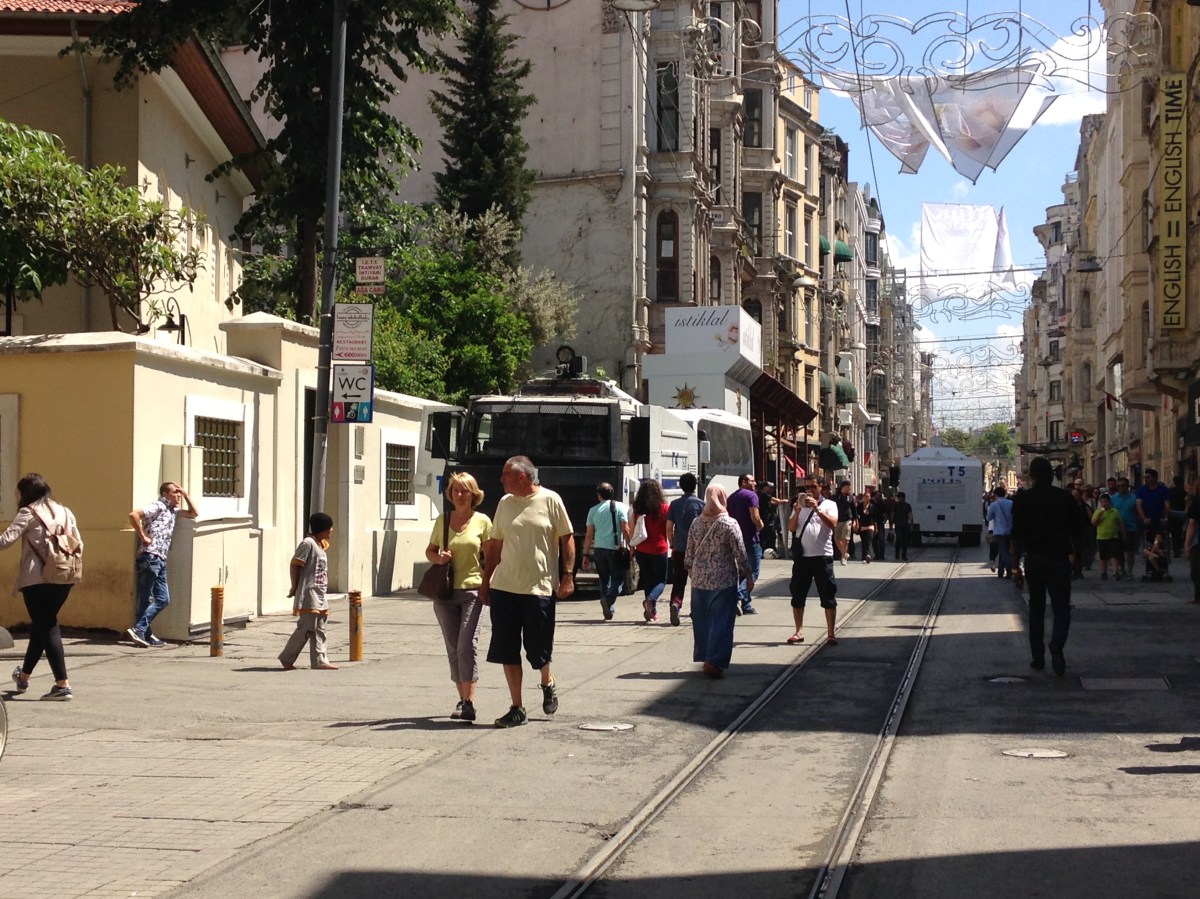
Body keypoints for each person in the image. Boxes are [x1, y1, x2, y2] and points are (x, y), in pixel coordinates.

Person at [481, 456, 574, 728]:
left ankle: (547, 681)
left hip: (539, 588)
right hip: (504, 588)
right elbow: (495, 545)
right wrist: (486, 582)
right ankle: (517, 707)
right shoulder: (504, 503)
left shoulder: (551, 500)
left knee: (538, 649)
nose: (501, 479)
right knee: (507, 649)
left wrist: (567, 576)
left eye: (505, 474)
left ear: (522, 477)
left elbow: (567, 538)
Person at [1, 473, 82, 701]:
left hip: (36, 579)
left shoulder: (28, 512)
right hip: (64, 576)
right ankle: (23, 677)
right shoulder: (66, 511)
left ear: (25, 493)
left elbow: (6, 541)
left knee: (47, 626)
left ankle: (62, 684)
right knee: (41, 626)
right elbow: (78, 543)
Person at [425, 471, 491, 722]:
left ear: (474, 494)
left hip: (473, 591)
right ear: (450, 494)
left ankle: (470, 701)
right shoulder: (443, 520)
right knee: (453, 648)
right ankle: (463, 700)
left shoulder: (482, 521)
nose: (460, 494)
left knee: (466, 645)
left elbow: (491, 558)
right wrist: (439, 558)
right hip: (445, 593)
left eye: (465, 490)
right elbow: (430, 551)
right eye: (455, 490)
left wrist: (489, 584)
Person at [1011, 457, 1078, 676]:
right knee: (1061, 607)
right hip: (1059, 560)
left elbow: (1016, 537)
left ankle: (1038, 658)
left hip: (1035, 560)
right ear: (1051, 475)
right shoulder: (1065, 498)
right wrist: (1076, 558)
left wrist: (1015, 567)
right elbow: (1078, 530)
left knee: (1036, 608)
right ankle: (1057, 642)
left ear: (1032, 476)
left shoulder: (1022, 499)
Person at [684, 484, 752, 679]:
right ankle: (714, 661)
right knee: (721, 622)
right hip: (724, 581)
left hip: (699, 581)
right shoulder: (729, 524)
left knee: (702, 621)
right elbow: (740, 552)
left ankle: (706, 656)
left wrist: (691, 569)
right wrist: (748, 574)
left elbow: (689, 551)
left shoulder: (697, 523)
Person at [127, 481, 198, 647]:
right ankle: (141, 631)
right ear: (165, 494)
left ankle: (142, 630)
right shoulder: (158, 506)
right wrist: (143, 536)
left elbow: (193, 513)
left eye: (179, 493)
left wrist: (185, 494)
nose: (178, 495)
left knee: (163, 598)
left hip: (160, 558)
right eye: (174, 492)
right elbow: (134, 515)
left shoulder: (173, 511)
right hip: (150, 556)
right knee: (145, 598)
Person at [279, 512, 339, 672]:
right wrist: (294, 586)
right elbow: (295, 564)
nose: (332, 530)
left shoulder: (320, 545)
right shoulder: (308, 544)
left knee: (320, 627)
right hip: (309, 593)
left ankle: (320, 660)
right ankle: (287, 657)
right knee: (306, 627)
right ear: (323, 528)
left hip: (320, 593)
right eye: (330, 527)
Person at [787, 476, 840, 646]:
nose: (809, 490)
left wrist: (817, 510)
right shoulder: (799, 505)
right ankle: (798, 631)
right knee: (798, 594)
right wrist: (796, 512)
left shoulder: (829, 505)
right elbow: (791, 528)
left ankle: (830, 633)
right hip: (802, 558)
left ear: (821, 487)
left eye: (813, 487)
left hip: (822, 556)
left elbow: (832, 524)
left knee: (828, 594)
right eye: (806, 487)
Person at [583, 482, 630, 622]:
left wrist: (585, 554)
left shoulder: (593, 510)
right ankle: (608, 600)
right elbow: (625, 529)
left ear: (599, 495)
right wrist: (631, 546)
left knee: (604, 579)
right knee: (618, 579)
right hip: (615, 549)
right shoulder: (621, 507)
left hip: (598, 549)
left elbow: (589, 535)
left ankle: (608, 610)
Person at [665, 472, 704, 626]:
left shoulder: (674, 504)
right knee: (698, 581)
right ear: (695, 486)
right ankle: (696, 609)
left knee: (679, 579)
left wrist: (672, 543)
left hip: (679, 548)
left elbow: (669, 527)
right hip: (697, 549)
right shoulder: (701, 504)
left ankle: (675, 603)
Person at [631, 479, 670, 622]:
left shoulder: (637, 510)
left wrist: (632, 549)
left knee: (648, 579)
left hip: (641, 549)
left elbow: (633, 530)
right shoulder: (665, 508)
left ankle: (651, 612)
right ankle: (651, 600)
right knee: (661, 580)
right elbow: (669, 529)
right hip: (659, 549)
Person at [726, 474, 763, 613]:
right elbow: (755, 516)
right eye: (752, 481)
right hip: (751, 538)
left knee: (742, 571)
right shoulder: (751, 496)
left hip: (736, 539)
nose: (755, 483)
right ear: (743, 482)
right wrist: (760, 524)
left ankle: (746, 605)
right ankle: (738, 596)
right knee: (753, 572)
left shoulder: (731, 497)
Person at [1090, 492, 1125, 581]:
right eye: (1102, 502)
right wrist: (1099, 516)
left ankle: (1115, 572)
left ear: (1109, 502)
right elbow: (1093, 523)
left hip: (1113, 536)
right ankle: (1103, 572)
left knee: (1114, 555)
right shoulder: (1098, 511)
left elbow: (1120, 523)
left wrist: (1124, 534)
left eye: (1105, 501)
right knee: (1103, 557)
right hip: (1101, 537)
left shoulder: (1115, 511)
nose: (1104, 503)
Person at [1110, 477, 1139, 578]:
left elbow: (1138, 512)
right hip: (1116, 529)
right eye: (1118, 485)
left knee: (1130, 551)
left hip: (1131, 528)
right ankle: (1121, 569)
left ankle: (1129, 570)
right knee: (1119, 552)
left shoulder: (1134, 498)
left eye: (1123, 485)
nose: (1120, 487)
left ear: (1127, 486)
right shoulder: (1113, 498)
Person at [1135, 468, 1171, 544]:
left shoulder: (1163, 489)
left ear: (1155, 478)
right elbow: (1139, 505)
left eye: (1148, 477)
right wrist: (1144, 518)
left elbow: (1167, 505)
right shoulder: (1141, 490)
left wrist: (1166, 517)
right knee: (1147, 540)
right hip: (1147, 520)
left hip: (1159, 520)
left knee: (1161, 540)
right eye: (1145, 477)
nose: (1146, 479)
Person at [986, 485, 1015, 578]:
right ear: (1005, 494)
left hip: (999, 532)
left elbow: (988, 518)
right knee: (1007, 551)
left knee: (1003, 552)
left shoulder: (994, 505)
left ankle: (1011, 564)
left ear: (995, 495)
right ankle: (1002, 571)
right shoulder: (1011, 503)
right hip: (1010, 531)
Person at [1183, 478, 1200, 604]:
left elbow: (1192, 525)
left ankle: (1198, 597)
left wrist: (1187, 545)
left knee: (1196, 570)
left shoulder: (1196, 502)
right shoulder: (1195, 502)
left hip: (1197, 542)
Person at [833, 480, 856, 565]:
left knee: (845, 537)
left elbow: (854, 509)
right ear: (844, 487)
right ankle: (844, 553)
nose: (849, 488)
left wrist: (855, 520)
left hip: (847, 519)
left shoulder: (850, 497)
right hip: (838, 519)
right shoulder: (836, 496)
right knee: (837, 538)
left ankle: (843, 557)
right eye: (848, 487)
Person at [1168, 475, 1187, 558]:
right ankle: (1179, 549)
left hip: (1172, 513)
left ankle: (1175, 550)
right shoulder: (1184, 492)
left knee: (1173, 532)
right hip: (1182, 514)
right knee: (1180, 532)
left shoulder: (1170, 491)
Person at [855, 490, 877, 563]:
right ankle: (864, 557)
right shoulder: (860, 506)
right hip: (862, 526)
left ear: (870, 498)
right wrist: (857, 524)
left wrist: (876, 528)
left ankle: (868, 555)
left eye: (868, 496)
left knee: (869, 541)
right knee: (864, 542)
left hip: (870, 526)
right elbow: (857, 516)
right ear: (863, 497)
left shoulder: (873, 506)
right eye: (866, 496)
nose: (867, 498)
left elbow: (875, 518)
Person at [891, 491, 913, 561]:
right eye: (900, 498)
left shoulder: (907, 505)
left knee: (905, 541)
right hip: (898, 525)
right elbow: (893, 514)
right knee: (899, 539)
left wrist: (911, 524)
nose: (901, 499)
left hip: (905, 525)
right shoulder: (895, 505)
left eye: (902, 498)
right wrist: (891, 524)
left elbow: (910, 515)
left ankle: (904, 555)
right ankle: (897, 553)